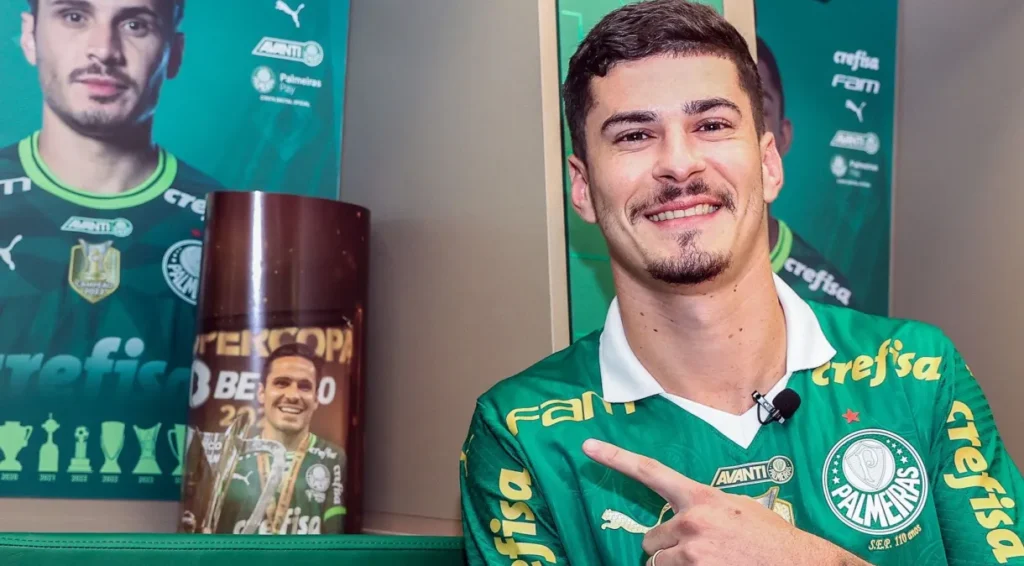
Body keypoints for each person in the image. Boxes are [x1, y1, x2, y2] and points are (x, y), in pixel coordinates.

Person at [459, 1, 1024, 564]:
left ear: (769, 165)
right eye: (633, 135)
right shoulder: (520, 432)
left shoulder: (917, 372)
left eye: (711, 125)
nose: (679, 164)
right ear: (582, 187)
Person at [0, 0, 220, 468]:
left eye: (136, 24)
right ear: (30, 36)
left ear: (174, 53)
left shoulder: (231, 224)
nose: (104, 49)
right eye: (74, 16)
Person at [756, 35, 856, 310]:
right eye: (714, 123)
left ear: (782, 138)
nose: (742, 129)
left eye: (759, 109)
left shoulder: (829, 299)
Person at [216, 342, 346, 535]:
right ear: (261, 393)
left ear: (316, 398)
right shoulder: (230, 457)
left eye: (304, 386)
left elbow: (338, 542)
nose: (293, 395)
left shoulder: (334, 459)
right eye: (282, 383)